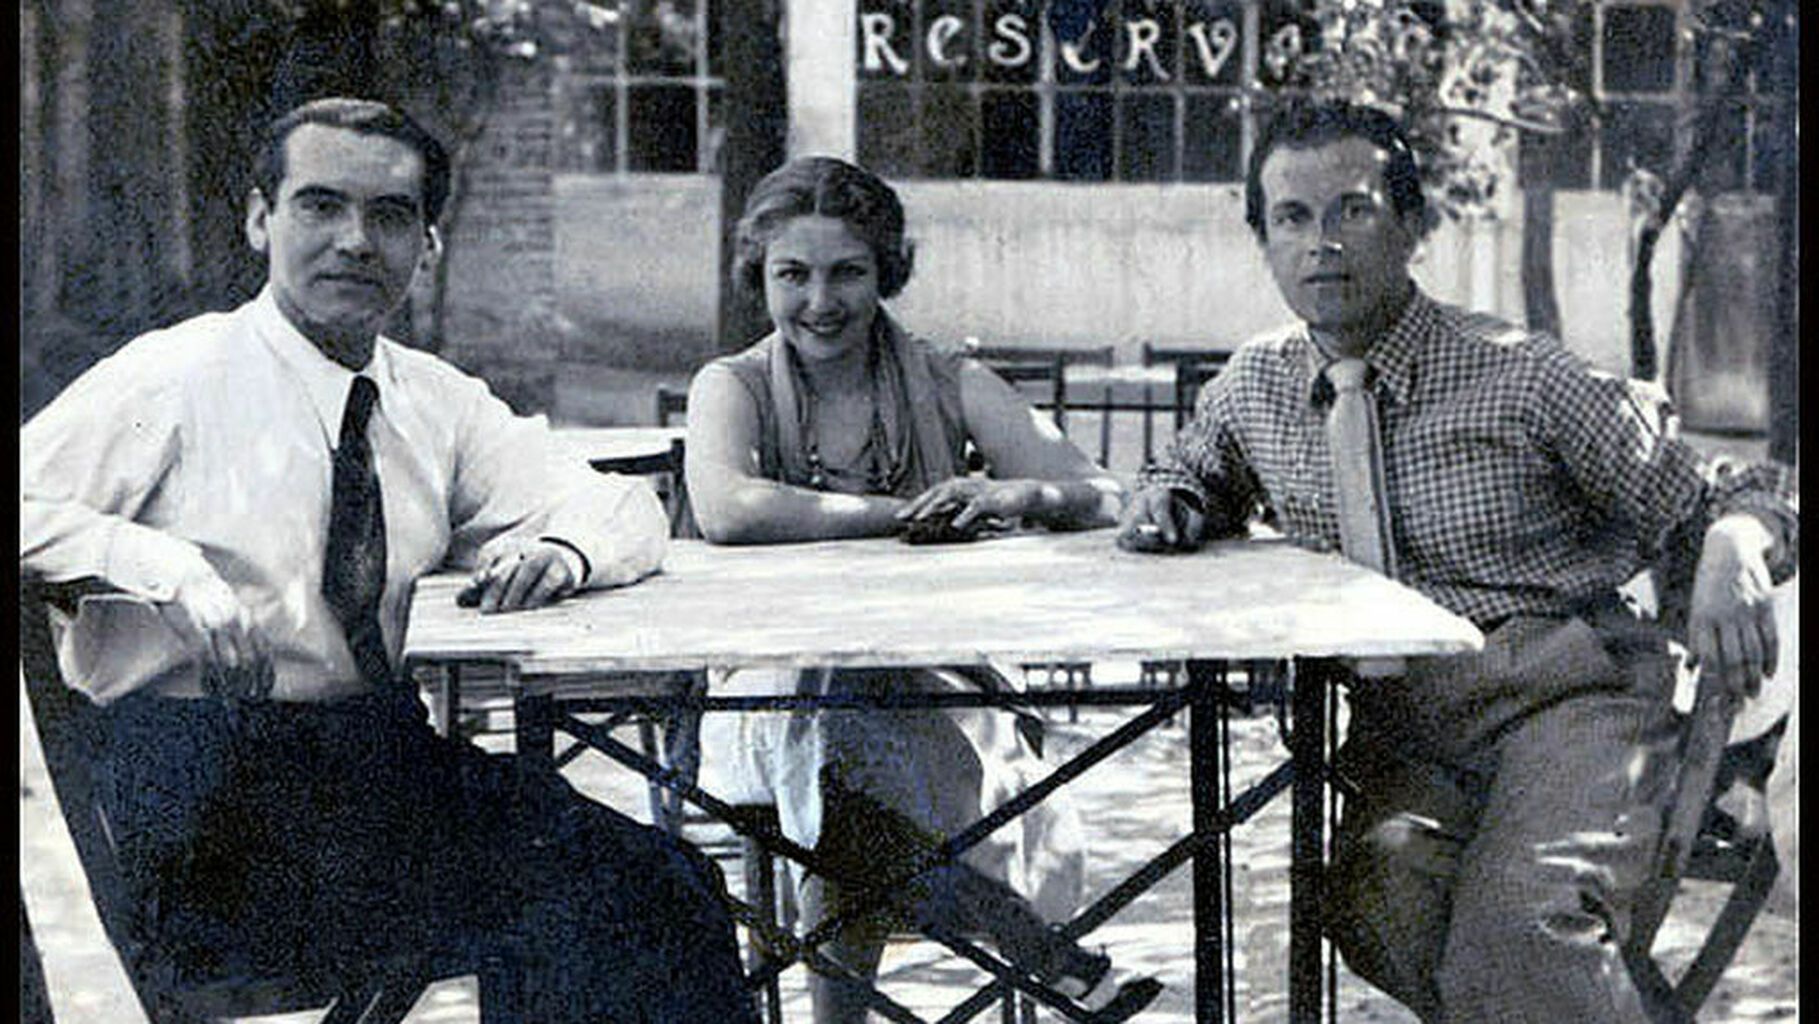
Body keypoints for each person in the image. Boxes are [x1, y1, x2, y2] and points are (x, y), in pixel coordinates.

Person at [20, 97, 757, 1023]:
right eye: (320, 207)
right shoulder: (176, 376)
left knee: (659, 879)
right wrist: (163, 567)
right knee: (591, 898)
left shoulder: (430, 402)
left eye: (390, 216)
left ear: (427, 245)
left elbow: (619, 504)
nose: (356, 242)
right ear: (260, 220)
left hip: (376, 769)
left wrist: (566, 549)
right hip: (206, 807)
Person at [1118, 99, 1796, 1023]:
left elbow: (1737, 489)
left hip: (1568, 699)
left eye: (1353, 210)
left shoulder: (1520, 375)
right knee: (1371, 898)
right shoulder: (1256, 386)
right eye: (1292, 218)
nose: (1323, 244)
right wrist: (1170, 501)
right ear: (1262, 240)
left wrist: (1732, 539)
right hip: (1405, 726)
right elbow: (1190, 469)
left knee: (1523, 925)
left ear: (1412, 226)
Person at [685, 156, 1159, 1023]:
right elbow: (727, 509)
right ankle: (1040, 953)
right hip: (766, 688)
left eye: (847, 273)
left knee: (851, 779)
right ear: (761, 275)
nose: (819, 301)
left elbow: (1107, 493)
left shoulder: (951, 381)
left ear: (886, 273)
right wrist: (898, 513)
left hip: (932, 686)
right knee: (834, 746)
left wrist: (1013, 492)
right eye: (793, 274)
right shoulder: (734, 385)